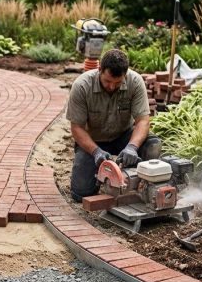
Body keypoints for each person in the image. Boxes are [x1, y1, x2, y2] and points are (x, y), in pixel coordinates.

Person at [66, 49, 161, 202]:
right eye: (108, 81)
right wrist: (95, 151)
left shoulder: (135, 81)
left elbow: (143, 120)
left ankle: (145, 186)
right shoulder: (82, 86)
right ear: (99, 70)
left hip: (123, 136)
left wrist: (132, 147)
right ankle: (98, 178)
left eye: (117, 83)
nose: (111, 87)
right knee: (81, 194)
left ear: (125, 74)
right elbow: (77, 128)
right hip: (93, 141)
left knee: (152, 145)